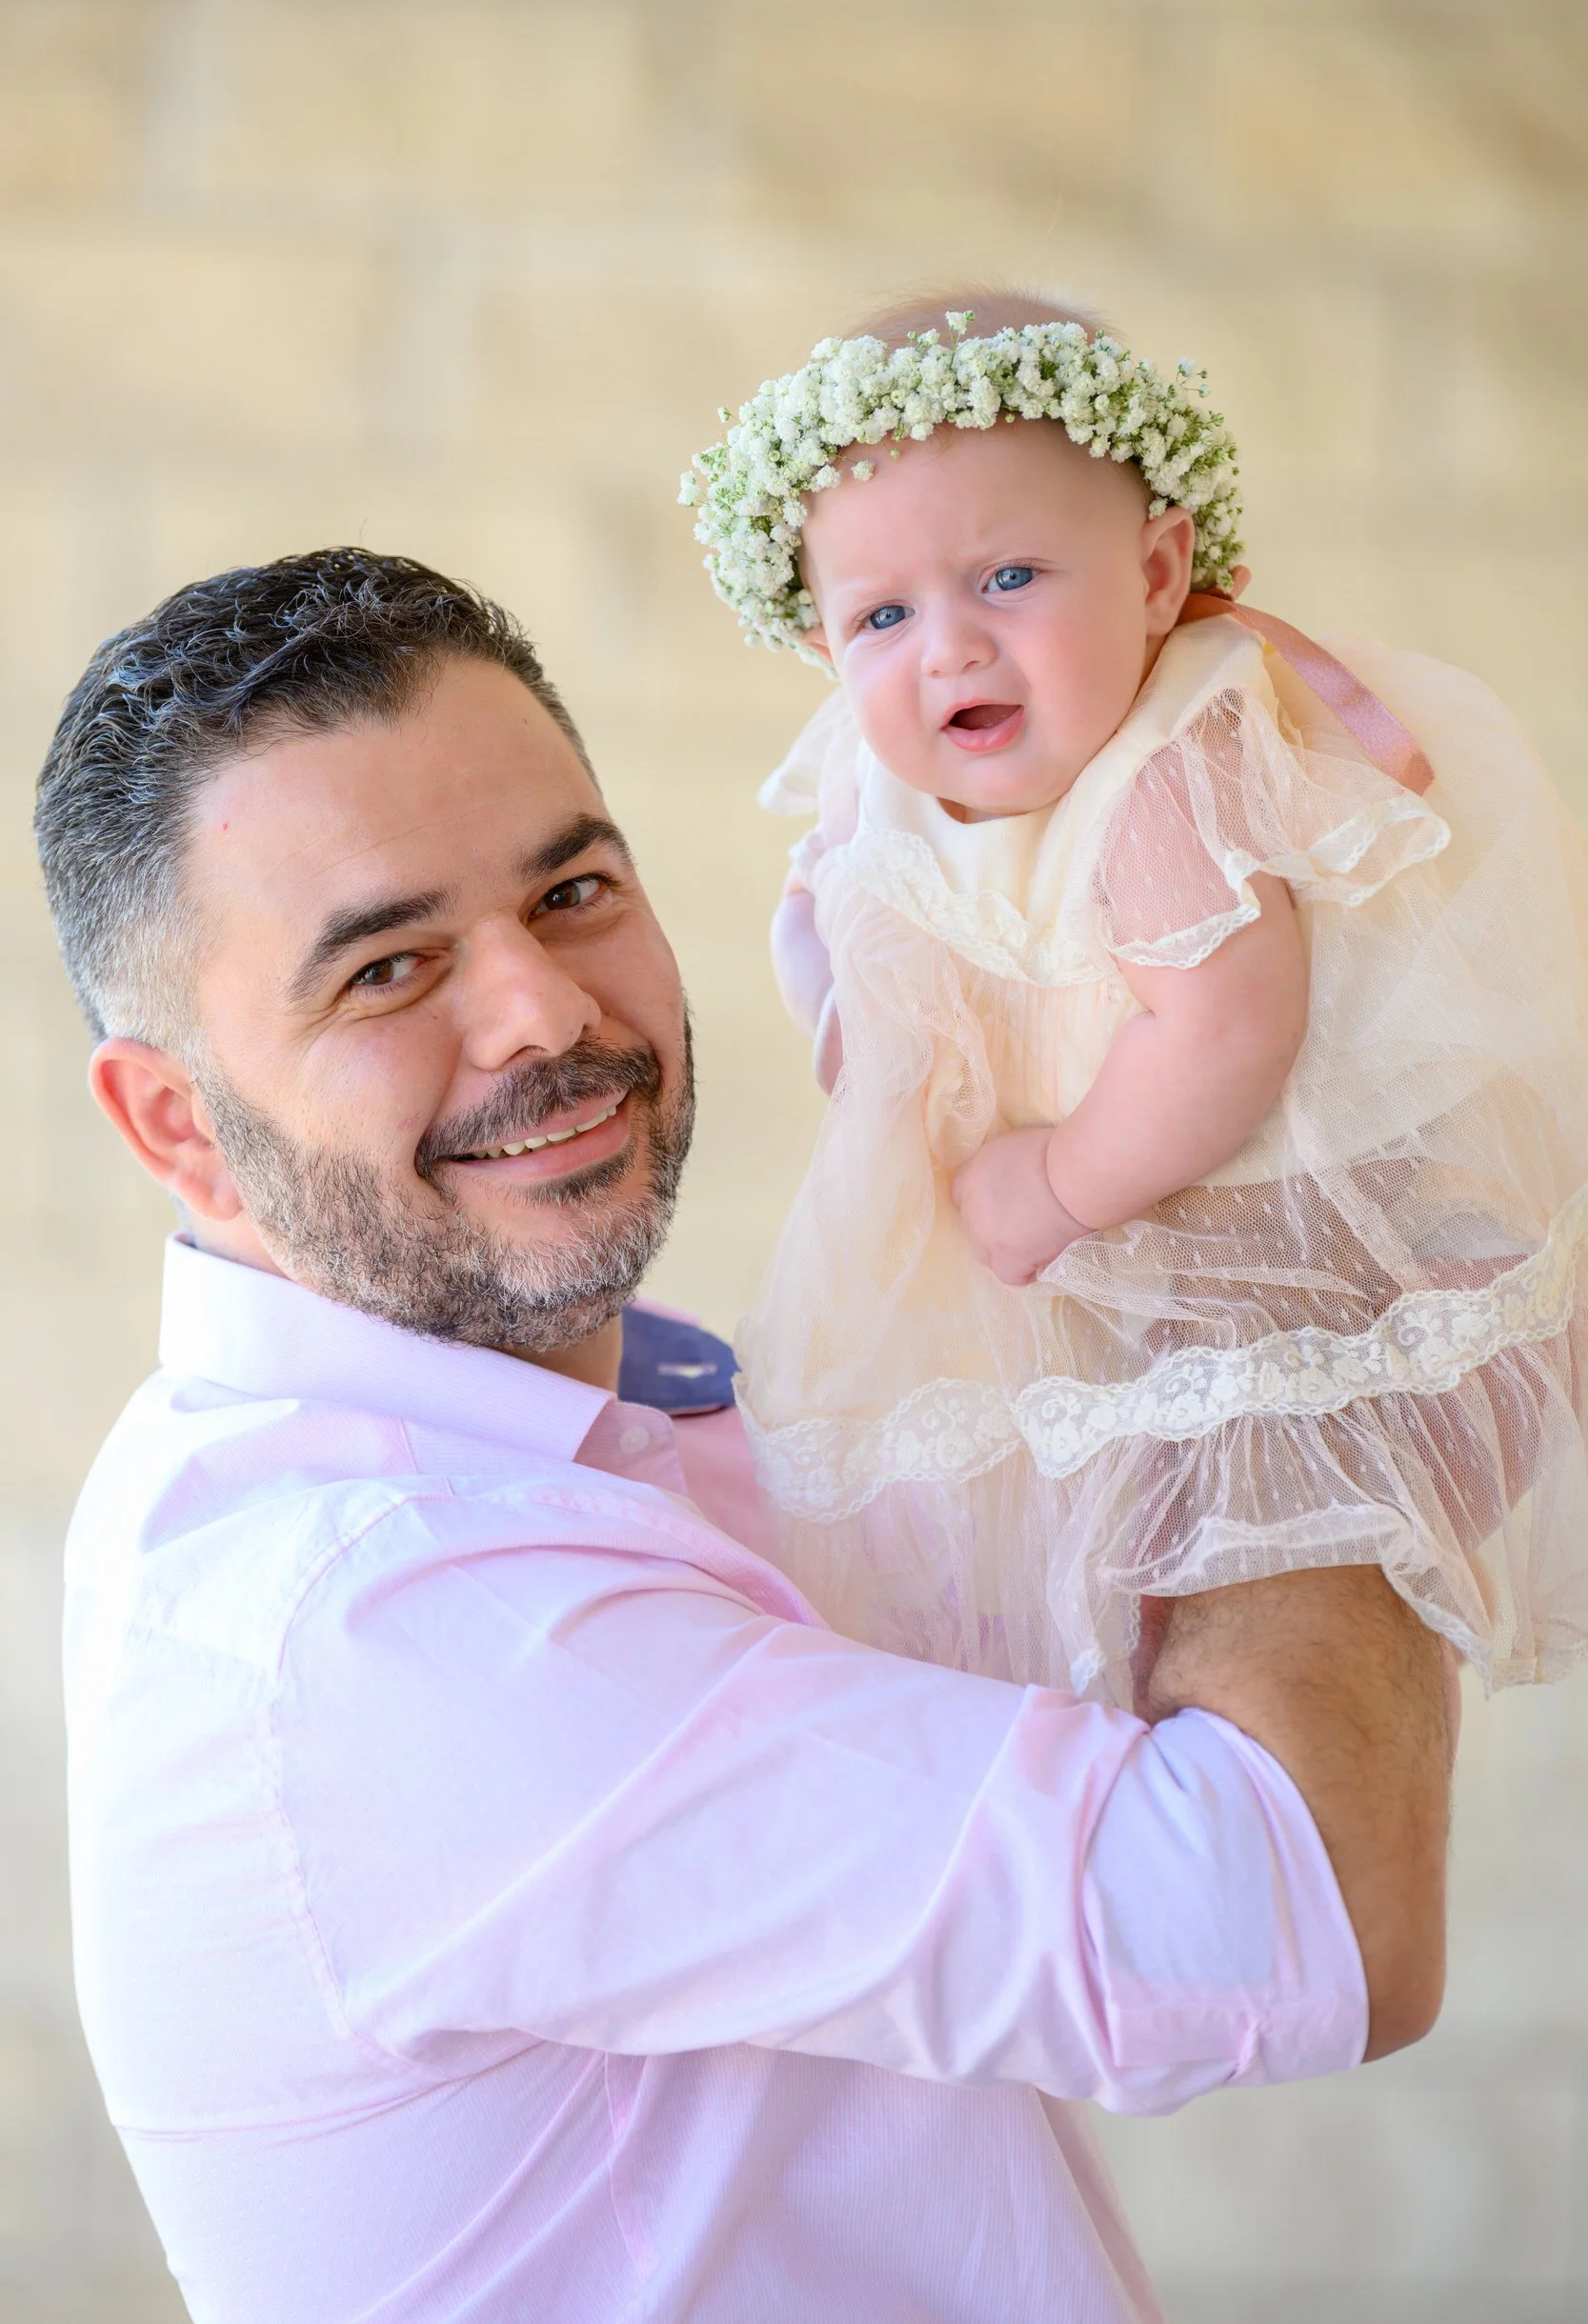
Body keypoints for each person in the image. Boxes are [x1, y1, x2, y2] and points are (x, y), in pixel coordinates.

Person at [36, 548, 1450, 2324]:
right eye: (387, 969)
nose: (544, 1009)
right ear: (177, 1127)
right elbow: (1300, 1907)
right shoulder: (396, 1619)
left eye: (570, 892)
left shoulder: (589, 1428)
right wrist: (1291, 1204)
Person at [682, 291, 1588, 1702]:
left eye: (1007, 578)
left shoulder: (1168, 767)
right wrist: (836, 1006)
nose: (946, 649)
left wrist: (1055, 1183)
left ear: (1158, 574)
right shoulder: (883, 758)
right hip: (1082, 1269)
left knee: (1250, 1530)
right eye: (879, 614)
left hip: (1251, 1231)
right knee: (1047, 1535)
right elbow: (844, 921)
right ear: (820, 643)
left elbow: (1224, 1031)